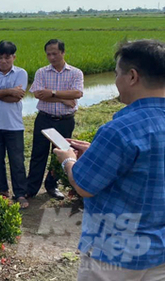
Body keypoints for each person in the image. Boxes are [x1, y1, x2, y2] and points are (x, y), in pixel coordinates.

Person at [54, 39, 165, 280]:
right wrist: (97, 151)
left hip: (114, 255)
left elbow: (84, 185)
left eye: (117, 74)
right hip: (159, 252)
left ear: (132, 76)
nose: (115, 81)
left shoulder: (119, 129)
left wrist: (68, 159)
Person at [26, 39, 83, 201]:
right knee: (38, 153)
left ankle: (52, 185)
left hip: (65, 120)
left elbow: (77, 94)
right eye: (48, 54)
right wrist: (63, 98)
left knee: (59, 154)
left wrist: (51, 93)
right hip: (44, 119)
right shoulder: (41, 72)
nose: (51, 57)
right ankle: (31, 188)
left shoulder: (75, 73)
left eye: (55, 54)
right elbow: (38, 94)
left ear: (63, 53)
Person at [0, 41, 29, 209]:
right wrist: (9, 90)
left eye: (7, 58)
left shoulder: (21, 73)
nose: (3, 61)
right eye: (0, 57)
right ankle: (2, 191)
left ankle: (20, 193)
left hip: (13, 125)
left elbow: (17, 97)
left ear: (13, 57)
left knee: (17, 161)